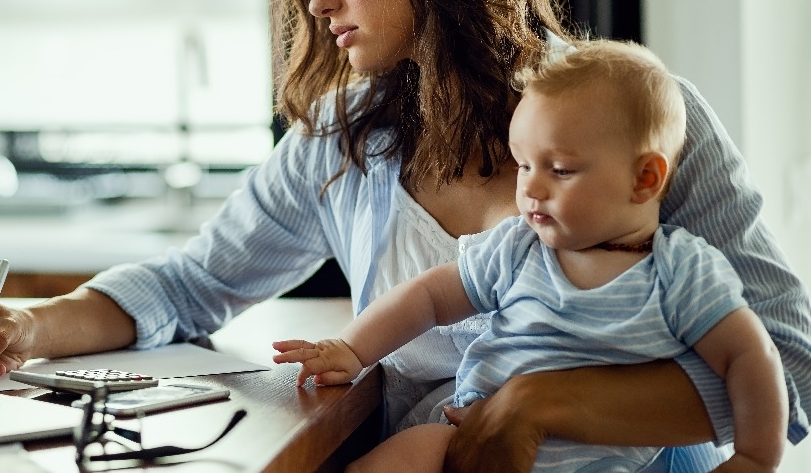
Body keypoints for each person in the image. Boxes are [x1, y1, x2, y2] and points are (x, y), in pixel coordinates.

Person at [0, 0, 811, 469]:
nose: (318, 0)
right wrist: (27, 327)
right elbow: (185, 287)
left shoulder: (644, 122)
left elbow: (789, 364)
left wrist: (542, 405)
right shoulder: (341, 138)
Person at [272, 40, 788, 472]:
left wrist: (755, 457)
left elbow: (753, 357)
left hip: (605, 465)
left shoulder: (680, 273)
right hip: (469, 440)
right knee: (399, 457)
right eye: (523, 166)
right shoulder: (519, 248)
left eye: (560, 170)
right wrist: (352, 349)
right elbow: (429, 297)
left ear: (645, 178)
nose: (531, 189)